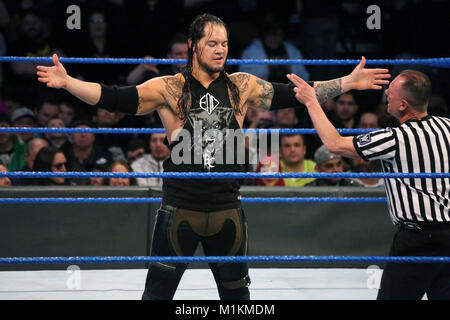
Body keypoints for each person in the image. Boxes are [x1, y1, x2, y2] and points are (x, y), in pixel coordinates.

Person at [36, 13, 389, 300]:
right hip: (179, 210)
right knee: (157, 295)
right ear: (193, 46)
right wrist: (68, 83)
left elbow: (297, 95)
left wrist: (346, 82)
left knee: (237, 300)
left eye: (224, 43)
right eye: (212, 43)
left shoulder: (242, 86)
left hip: (227, 210)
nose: (220, 50)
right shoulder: (169, 88)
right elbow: (116, 98)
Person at [287, 69, 450, 300]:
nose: (386, 96)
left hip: (417, 238)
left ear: (403, 104)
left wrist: (311, 101)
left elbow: (334, 143)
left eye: (390, 93)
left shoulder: (394, 137)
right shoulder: (446, 127)